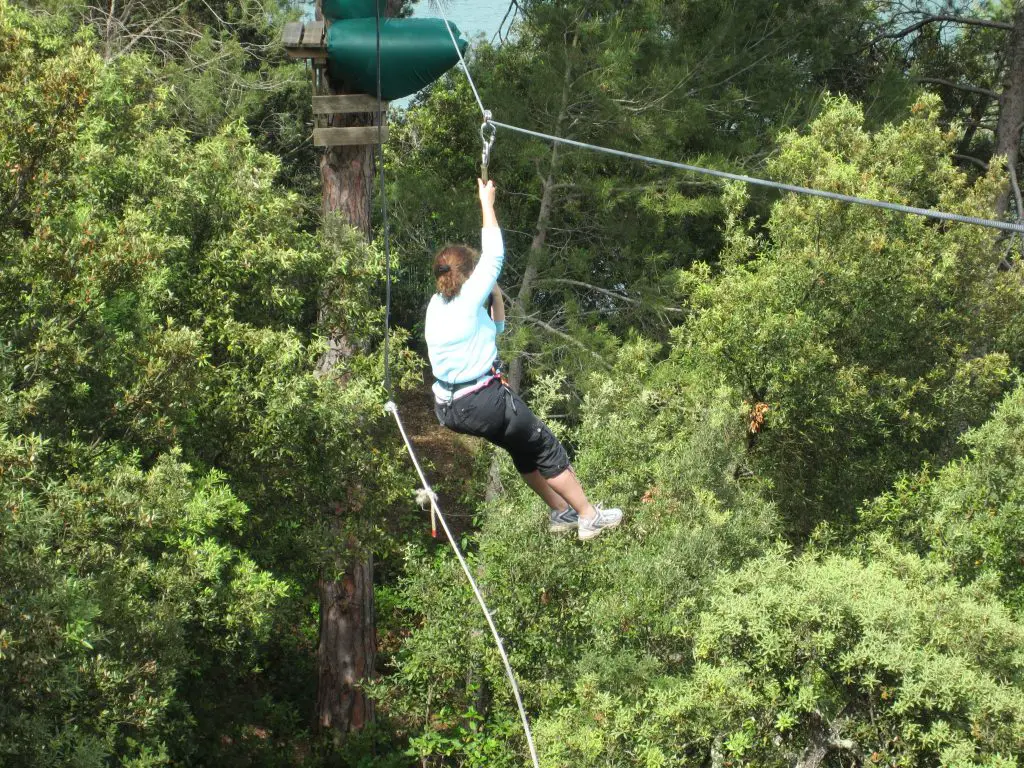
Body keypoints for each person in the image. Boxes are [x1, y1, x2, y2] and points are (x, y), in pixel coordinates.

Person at [424, 179, 623, 540]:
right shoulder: (469, 298)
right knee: (545, 445)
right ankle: (588, 516)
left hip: (450, 409)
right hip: (482, 401)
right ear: (468, 276)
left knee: (522, 448)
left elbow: (496, 330)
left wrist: (495, 294)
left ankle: (560, 511)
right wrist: (487, 202)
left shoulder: (438, 306)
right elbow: (495, 254)